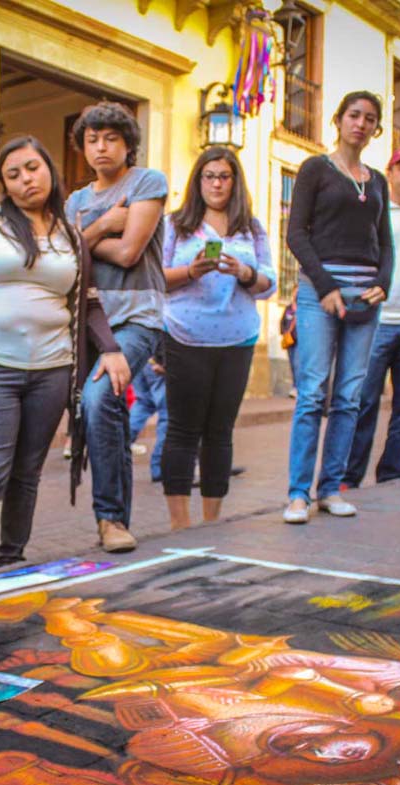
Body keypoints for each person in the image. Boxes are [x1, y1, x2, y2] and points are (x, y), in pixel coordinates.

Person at [0, 135, 127, 572]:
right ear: (5, 185)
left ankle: (11, 562)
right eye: (13, 174)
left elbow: (90, 302)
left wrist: (112, 350)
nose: (26, 179)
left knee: (26, 474)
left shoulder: (71, 235)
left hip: (53, 370)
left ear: (49, 169)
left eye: (32, 167)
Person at [283, 91, 393, 523]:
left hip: (366, 295)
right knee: (312, 393)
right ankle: (297, 493)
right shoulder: (315, 169)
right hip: (319, 291)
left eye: (370, 118)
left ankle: (331, 488)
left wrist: (383, 283)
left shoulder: (378, 180)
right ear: (338, 119)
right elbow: (296, 234)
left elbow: (385, 242)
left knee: (350, 397)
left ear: (375, 128)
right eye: (354, 115)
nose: (361, 124)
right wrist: (325, 285)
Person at [64, 102, 168, 552]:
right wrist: (105, 223)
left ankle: (109, 519)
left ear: (128, 144)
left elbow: (129, 253)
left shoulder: (147, 182)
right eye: (92, 139)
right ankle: (118, 520)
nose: (101, 147)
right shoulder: (75, 201)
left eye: (110, 138)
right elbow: (67, 255)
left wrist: (84, 238)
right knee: (109, 409)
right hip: (87, 319)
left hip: (137, 318)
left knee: (99, 394)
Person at [159, 146, 275, 529]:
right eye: (209, 176)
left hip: (237, 340)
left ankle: (211, 521)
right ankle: (180, 523)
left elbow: (268, 284)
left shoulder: (251, 228)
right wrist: (191, 271)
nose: (216, 184)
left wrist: (244, 272)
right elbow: (155, 278)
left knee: (220, 432)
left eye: (224, 176)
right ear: (198, 181)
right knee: (182, 429)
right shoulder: (176, 224)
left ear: (235, 182)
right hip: (185, 338)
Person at [343, 148, 400, 491]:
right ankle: (350, 476)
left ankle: (391, 475)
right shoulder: (377, 212)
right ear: (389, 173)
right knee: (363, 402)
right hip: (377, 321)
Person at [128, 351, 167, 482]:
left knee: (143, 403)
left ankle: (113, 454)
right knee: (168, 414)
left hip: (141, 356)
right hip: (158, 359)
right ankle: (159, 467)